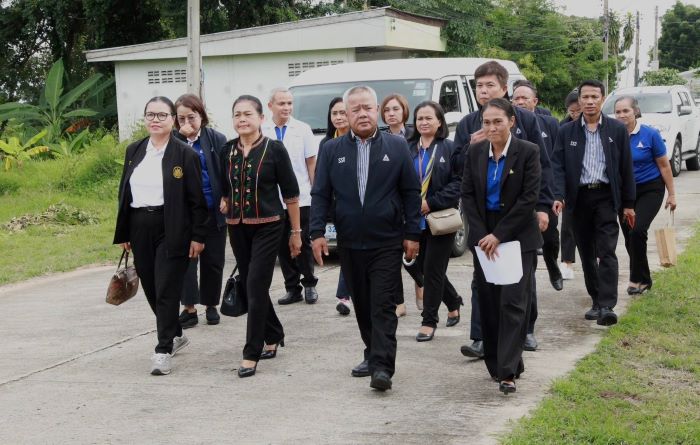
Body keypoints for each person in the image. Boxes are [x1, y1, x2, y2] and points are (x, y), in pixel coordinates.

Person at [310, 86, 421, 392]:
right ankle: (372, 353)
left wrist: (413, 232)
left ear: (377, 111)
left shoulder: (397, 147)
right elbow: (320, 193)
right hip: (349, 241)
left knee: (382, 303)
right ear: (345, 115)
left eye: (367, 108)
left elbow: (411, 192)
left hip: (386, 239)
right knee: (361, 303)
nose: (362, 114)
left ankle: (382, 366)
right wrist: (316, 232)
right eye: (355, 109)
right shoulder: (331, 150)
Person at [454, 61, 554, 359]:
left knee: (521, 278)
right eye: (479, 86)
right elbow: (457, 166)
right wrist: (470, 146)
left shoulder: (525, 120)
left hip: (520, 213)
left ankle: (526, 330)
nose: (483, 91)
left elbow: (542, 165)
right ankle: (481, 337)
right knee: (482, 277)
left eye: (490, 86)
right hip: (484, 214)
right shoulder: (468, 124)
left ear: (504, 88)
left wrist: (543, 206)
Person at [113, 96, 208, 375]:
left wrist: (198, 236)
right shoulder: (135, 150)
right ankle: (176, 333)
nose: (155, 120)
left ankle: (163, 349)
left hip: (173, 226)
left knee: (166, 287)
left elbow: (196, 200)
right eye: (150, 115)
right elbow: (124, 193)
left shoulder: (184, 154)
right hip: (140, 224)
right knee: (152, 288)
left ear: (173, 120)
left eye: (162, 115)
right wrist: (124, 231)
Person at [461, 98, 542, 394]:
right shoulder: (475, 151)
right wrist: (483, 234)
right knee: (490, 303)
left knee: (513, 303)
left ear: (511, 122)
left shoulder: (528, 152)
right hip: (484, 237)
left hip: (517, 237)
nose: (492, 127)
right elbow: (468, 196)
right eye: (486, 122)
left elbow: (528, 199)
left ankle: (507, 373)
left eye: (498, 121)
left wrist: (499, 235)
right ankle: (501, 364)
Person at [220, 95, 302, 378]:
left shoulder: (274, 149)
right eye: (237, 114)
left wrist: (296, 232)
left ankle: (250, 352)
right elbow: (223, 185)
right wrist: (223, 198)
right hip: (237, 226)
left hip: (269, 225)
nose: (242, 119)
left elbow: (291, 194)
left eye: (247, 114)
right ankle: (274, 332)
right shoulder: (227, 150)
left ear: (260, 118)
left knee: (255, 284)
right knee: (251, 286)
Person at [552, 80, 636, 327]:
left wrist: (629, 203)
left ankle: (608, 305)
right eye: (585, 97)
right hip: (579, 199)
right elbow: (557, 166)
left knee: (607, 250)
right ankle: (596, 300)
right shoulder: (566, 132)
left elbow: (625, 168)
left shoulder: (616, 130)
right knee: (586, 251)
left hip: (606, 197)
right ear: (579, 100)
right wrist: (558, 196)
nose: (589, 101)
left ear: (603, 98)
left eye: (594, 97)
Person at [403, 101, 463, 341]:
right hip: (412, 219)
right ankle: (453, 300)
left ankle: (429, 321)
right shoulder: (407, 148)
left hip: (440, 219)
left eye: (429, 118)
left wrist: (431, 202)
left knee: (433, 269)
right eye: (420, 118)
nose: (424, 122)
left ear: (440, 122)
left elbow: (459, 182)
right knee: (417, 265)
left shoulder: (449, 148)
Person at [511, 81, 562, 351]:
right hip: (508, 209)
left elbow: (550, 163)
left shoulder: (546, 124)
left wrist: (551, 197)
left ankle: (553, 264)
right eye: (516, 97)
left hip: (541, 199)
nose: (519, 101)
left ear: (535, 101)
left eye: (524, 97)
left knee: (550, 239)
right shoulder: (494, 121)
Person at [173, 93, 228, 329]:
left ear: (201, 116)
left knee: (213, 261)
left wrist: (227, 196)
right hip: (185, 213)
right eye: (181, 118)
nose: (187, 122)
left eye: (192, 117)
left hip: (213, 208)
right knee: (187, 261)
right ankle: (189, 307)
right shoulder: (172, 141)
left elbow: (227, 172)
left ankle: (211, 305)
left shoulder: (216, 138)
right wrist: (181, 142)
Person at [262, 88, 319, 306]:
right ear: (270, 106)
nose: (286, 108)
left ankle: (310, 284)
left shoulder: (302, 129)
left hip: (301, 197)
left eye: (289, 103)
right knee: (281, 245)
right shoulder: (262, 129)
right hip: (272, 198)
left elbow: (310, 163)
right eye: (281, 103)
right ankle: (291, 287)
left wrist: (316, 193)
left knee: (302, 241)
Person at [613, 96, 676, 294]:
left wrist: (672, 195)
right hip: (624, 194)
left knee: (638, 230)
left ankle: (637, 279)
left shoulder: (650, 134)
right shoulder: (612, 135)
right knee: (629, 236)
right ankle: (641, 278)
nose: (622, 115)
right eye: (618, 112)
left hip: (650, 188)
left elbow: (665, 165)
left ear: (635, 112)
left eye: (626, 111)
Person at [319, 97, 353, 316]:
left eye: (343, 112)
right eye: (335, 114)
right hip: (335, 206)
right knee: (345, 249)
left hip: (357, 207)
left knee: (350, 251)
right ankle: (346, 295)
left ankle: (345, 295)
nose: (339, 117)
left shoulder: (357, 140)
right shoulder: (326, 144)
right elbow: (321, 180)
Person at [380, 93, 413, 316]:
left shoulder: (414, 135)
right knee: (393, 258)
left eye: (395, 109)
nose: (391, 114)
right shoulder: (379, 139)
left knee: (418, 262)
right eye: (387, 110)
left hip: (412, 201)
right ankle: (398, 303)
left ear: (404, 112)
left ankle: (446, 298)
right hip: (390, 207)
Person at [559, 89, 581, 280]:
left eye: (578, 110)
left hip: (594, 184)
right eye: (571, 111)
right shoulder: (563, 127)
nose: (575, 115)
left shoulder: (602, 125)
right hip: (569, 184)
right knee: (568, 225)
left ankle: (600, 259)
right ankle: (567, 262)